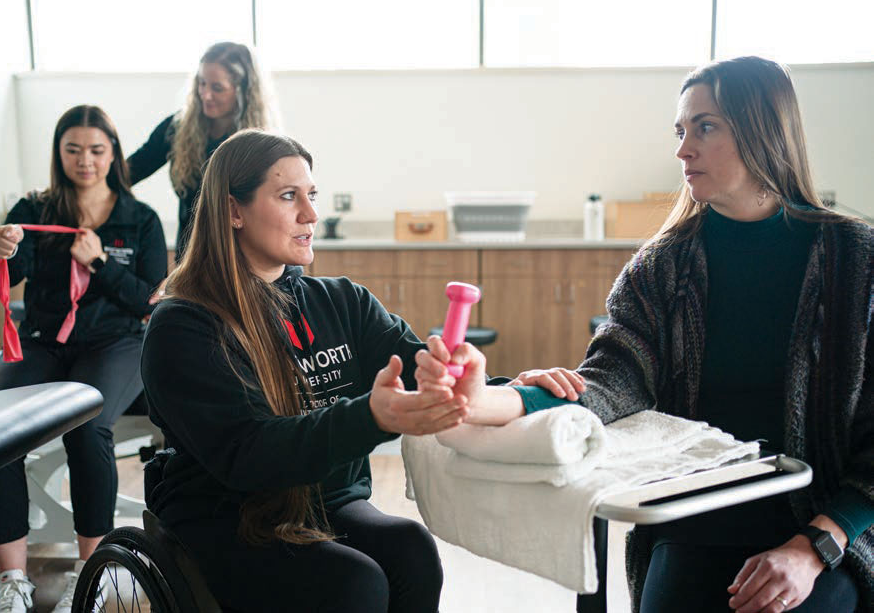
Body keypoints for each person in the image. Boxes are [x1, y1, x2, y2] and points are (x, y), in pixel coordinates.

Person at [417, 56, 873, 613]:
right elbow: (612, 381)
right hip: (692, 520)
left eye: (705, 127)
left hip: (823, 530)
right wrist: (490, 400)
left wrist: (815, 546)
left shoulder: (856, 262)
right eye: (681, 131)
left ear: (763, 130)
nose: (684, 149)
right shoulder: (664, 266)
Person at [143, 129, 519, 613]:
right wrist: (372, 416)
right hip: (225, 514)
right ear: (233, 211)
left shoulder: (343, 302)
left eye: (312, 195)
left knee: (412, 550)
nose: (311, 215)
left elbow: (421, 372)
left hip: (326, 501)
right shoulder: (183, 326)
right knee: (353, 583)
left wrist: (509, 389)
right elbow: (248, 455)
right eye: (287, 196)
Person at [0, 105, 168, 613]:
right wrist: (0, 250)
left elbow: (150, 299)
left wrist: (100, 263)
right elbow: (6, 274)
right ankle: (13, 581)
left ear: (113, 155)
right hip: (42, 342)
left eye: (97, 150)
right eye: (73, 149)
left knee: (88, 427)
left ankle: (90, 575)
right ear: (59, 154)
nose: (85, 160)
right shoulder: (35, 208)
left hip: (116, 344)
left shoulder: (140, 219)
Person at [128, 41, 280, 260]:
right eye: (202, 84)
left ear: (243, 90)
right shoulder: (176, 129)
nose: (206, 95)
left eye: (217, 88)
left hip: (242, 260)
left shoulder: (260, 143)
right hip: (190, 259)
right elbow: (130, 171)